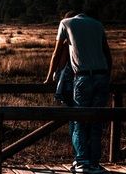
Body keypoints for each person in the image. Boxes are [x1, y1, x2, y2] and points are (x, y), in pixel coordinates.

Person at [44, 10, 112, 174]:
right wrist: (107, 77)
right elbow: (108, 55)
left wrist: (48, 79)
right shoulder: (97, 24)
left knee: (79, 120)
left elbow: (56, 53)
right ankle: (95, 163)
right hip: (102, 76)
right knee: (96, 120)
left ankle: (82, 162)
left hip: (82, 77)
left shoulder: (65, 23)